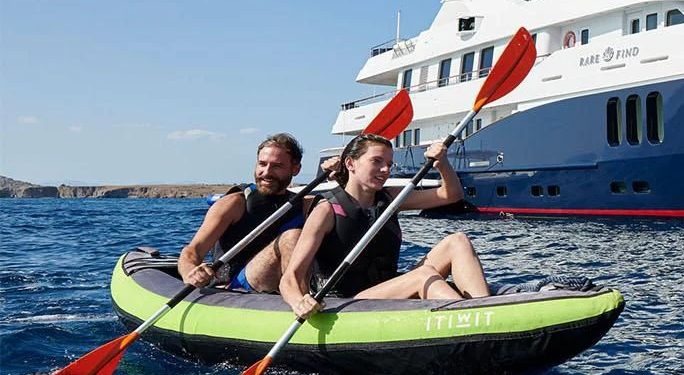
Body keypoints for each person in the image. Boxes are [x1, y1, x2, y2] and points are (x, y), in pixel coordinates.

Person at [279, 133, 491, 320]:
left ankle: (488, 312)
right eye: (376, 161)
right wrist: (299, 302)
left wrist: (442, 163)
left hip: (388, 290)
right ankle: (475, 321)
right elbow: (290, 277)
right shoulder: (326, 210)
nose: (385, 170)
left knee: (458, 241)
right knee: (423, 275)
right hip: (347, 303)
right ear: (351, 163)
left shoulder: (390, 198)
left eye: (389, 164)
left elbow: (451, 195)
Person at [178, 133, 317, 293]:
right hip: (236, 285)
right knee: (292, 237)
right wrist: (190, 273)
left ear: (296, 169)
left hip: (278, 286)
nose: (266, 172)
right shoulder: (234, 204)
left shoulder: (304, 204)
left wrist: (338, 173)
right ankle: (300, 299)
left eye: (277, 166)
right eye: (262, 164)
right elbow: (192, 251)